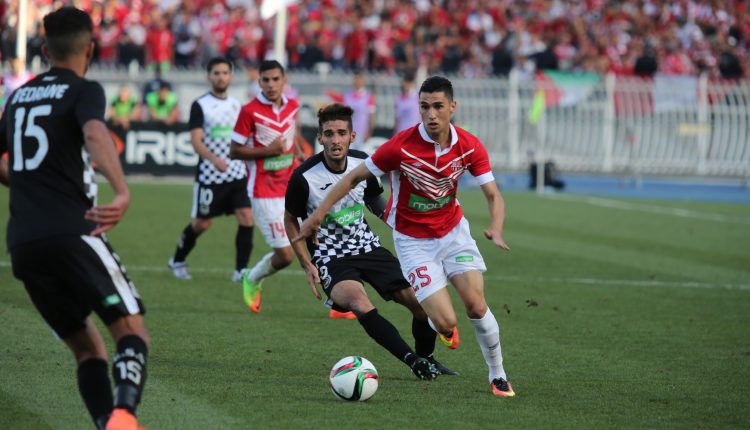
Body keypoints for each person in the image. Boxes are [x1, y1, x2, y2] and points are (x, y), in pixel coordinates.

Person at [294, 76, 516, 397]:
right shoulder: (399, 146)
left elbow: (494, 195)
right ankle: (435, 338)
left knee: (477, 306)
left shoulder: (469, 145)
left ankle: (498, 375)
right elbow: (354, 178)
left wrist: (496, 227)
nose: (431, 114)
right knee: (444, 322)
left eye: (438, 106)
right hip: (414, 243)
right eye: (424, 107)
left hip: (454, 233)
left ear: (452, 107)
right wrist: (317, 215)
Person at [0, 7, 150, 430]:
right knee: (131, 333)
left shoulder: (17, 96)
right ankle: (123, 417)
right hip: (74, 232)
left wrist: (32, 182)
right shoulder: (84, 90)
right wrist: (121, 191)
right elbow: (95, 133)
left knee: (87, 351)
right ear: (91, 49)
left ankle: (107, 423)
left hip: (23, 244)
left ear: (44, 49)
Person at [285, 103, 457, 379]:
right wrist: (307, 263)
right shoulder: (303, 177)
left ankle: (427, 358)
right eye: (328, 134)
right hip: (330, 257)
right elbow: (290, 219)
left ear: (352, 136)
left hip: (368, 247)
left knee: (421, 301)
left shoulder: (363, 163)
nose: (335, 140)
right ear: (320, 138)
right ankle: (412, 361)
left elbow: (375, 200)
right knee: (359, 301)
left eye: (341, 133)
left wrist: (399, 223)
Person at [230, 60, 322, 314]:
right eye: (265, 80)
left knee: (319, 238)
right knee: (284, 256)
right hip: (264, 191)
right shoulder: (249, 111)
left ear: (284, 81)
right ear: (259, 82)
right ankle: (253, 277)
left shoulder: (292, 106)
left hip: (292, 185)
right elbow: (234, 150)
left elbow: (292, 137)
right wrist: (267, 151)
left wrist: (299, 154)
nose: (270, 84)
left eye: (275, 79)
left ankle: (340, 301)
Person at [168, 57, 253, 283]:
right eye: (216, 73)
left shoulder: (237, 105)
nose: (221, 77)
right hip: (210, 175)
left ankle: (240, 270)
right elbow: (196, 141)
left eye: (225, 73)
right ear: (209, 77)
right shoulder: (201, 105)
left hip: (236, 173)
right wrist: (214, 159)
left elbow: (243, 137)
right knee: (202, 223)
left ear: (231, 76)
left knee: (246, 217)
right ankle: (177, 260)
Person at [343, 70, 375, 151]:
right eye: (356, 79)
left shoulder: (368, 97)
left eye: (360, 79)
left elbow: (371, 116)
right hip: (349, 133)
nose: (358, 82)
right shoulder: (347, 96)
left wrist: (369, 132)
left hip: (362, 134)